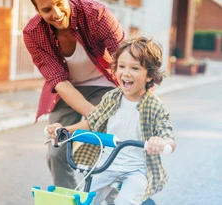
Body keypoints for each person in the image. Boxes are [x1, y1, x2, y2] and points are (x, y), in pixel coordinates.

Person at [46, 34, 177, 205]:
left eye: (135, 68)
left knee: (126, 201)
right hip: (106, 163)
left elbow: (169, 137)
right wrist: (64, 131)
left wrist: (161, 142)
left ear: (150, 75)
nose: (126, 73)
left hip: (136, 169)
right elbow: (92, 122)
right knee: (86, 200)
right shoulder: (112, 98)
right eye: (121, 66)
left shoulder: (155, 106)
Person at [23, 0, 125, 189]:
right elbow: (59, 81)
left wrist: (140, 100)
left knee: (104, 145)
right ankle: (68, 198)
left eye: (59, 3)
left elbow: (126, 60)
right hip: (66, 91)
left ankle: (112, 196)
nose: (56, 13)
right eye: (46, 9)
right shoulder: (33, 32)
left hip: (105, 87)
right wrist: (95, 115)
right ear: (37, 10)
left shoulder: (97, 15)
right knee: (56, 152)